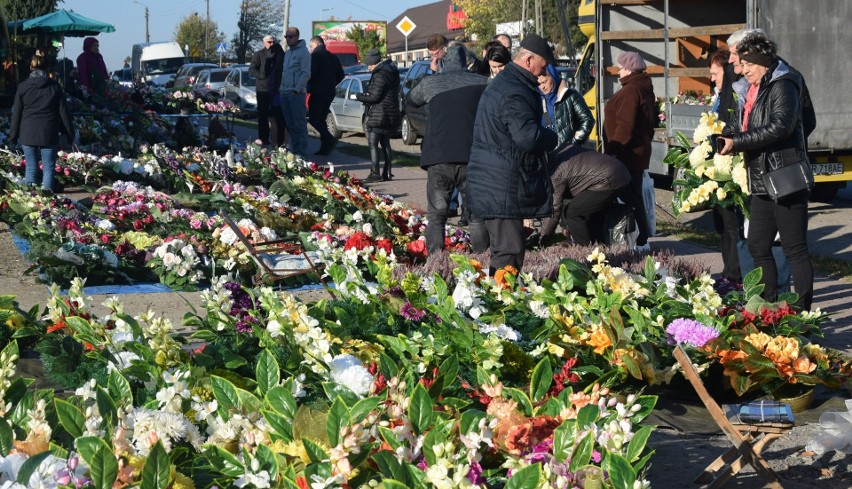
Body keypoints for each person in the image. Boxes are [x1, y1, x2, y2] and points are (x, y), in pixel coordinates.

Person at [717, 35, 813, 310]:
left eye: (747, 63)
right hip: (760, 180)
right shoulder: (750, 89)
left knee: (795, 249)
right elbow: (740, 125)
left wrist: (740, 143)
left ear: (762, 62)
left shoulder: (784, 83)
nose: (743, 69)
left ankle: (802, 313)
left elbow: (781, 126)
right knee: (757, 245)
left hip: (784, 178)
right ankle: (768, 308)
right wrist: (723, 137)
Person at [466, 33, 558, 274]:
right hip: (501, 183)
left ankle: (498, 298)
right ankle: (502, 304)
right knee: (509, 250)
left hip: (497, 179)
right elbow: (527, 137)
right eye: (543, 64)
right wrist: (551, 136)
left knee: (505, 248)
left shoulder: (509, 83)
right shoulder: (515, 90)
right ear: (528, 61)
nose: (544, 70)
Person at [407, 44, 489, 254]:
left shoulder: (430, 83)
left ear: (443, 62)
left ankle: (436, 262)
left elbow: (411, 100)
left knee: (436, 214)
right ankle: (483, 259)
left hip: (438, 156)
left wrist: (432, 74)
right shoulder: (481, 82)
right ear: (466, 62)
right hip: (471, 157)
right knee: (476, 215)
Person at [602, 51, 656, 250]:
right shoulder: (643, 87)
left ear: (630, 69)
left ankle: (640, 239)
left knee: (630, 196)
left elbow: (626, 125)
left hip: (626, 154)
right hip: (635, 152)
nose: (618, 72)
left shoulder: (631, 90)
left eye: (621, 68)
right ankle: (640, 237)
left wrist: (615, 151)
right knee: (633, 195)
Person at [9, 52, 75, 191]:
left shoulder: (23, 87)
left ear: (31, 68)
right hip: (49, 132)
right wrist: (69, 134)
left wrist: (13, 136)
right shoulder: (55, 87)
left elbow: (16, 114)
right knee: (48, 168)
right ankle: (47, 199)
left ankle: (31, 200)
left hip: (27, 132)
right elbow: (64, 113)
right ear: (47, 69)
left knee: (31, 167)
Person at [541, 145, 631, 245]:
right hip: (618, 170)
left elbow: (554, 210)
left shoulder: (555, 175)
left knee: (574, 213)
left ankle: (585, 251)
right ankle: (596, 246)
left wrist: (542, 241)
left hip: (610, 179)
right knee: (584, 209)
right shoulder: (563, 149)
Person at [707, 48, 744, 284]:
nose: (712, 79)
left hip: (730, 168)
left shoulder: (733, 95)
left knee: (732, 226)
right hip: (718, 166)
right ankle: (729, 272)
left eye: (715, 73)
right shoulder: (720, 95)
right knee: (721, 224)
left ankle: (735, 275)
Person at [356, 49, 401, 183]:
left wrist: (360, 97)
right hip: (391, 112)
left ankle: (375, 173)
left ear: (374, 62)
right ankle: (387, 172)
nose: (368, 67)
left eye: (369, 64)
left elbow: (375, 97)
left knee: (373, 143)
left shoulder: (381, 74)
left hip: (380, 114)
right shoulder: (391, 71)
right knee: (385, 143)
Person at [538, 64, 594, 146]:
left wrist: (574, 143)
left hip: (569, 154)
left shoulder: (571, 95)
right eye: (539, 84)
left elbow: (587, 120)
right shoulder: (536, 98)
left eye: (544, 82)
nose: (542, 87)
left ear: (553, 77)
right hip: (546, 153)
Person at [308, 36, 344, 155]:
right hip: (330, 92)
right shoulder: (333, 57)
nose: (310, 49)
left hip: (318, 91)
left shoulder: (316, 56)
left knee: (313, 118)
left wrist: (308, 85)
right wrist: (331, 84)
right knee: (321, 119)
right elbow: (341, 75)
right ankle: (325, 148)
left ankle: (329, 139)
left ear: (317, 44)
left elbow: (311, 73)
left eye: (311, 46)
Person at [280, 27, 311, 156]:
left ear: (297, 37)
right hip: (284, 92)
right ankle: (295, 150)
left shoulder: (303, 52)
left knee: (299, 124)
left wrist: (296, 89)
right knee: (290, 124)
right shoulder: (287, 53)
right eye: (286, 37)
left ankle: (302, 153)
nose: (288, 39)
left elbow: (306, 73)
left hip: (296, 94)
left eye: (290, 37)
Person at [250, 35, 280, 145]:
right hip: (263, 89)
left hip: (276, 90)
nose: (272, 44)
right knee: (263, 115)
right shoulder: (259, 54)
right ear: (264, 43)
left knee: (276, 116)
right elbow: (252, 70)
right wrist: (263, 75)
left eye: (273, 42)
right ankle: (263, 138)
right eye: (269, 42)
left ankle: (276, 139)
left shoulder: (278, 54)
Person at [267, 40, 286, 148]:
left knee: (276, 121)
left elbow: (273, 81)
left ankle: (277, 144)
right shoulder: (284, 58)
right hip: (282, 95)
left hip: (277, 97)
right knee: (282, 123)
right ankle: (282, 143)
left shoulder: (277, 61)